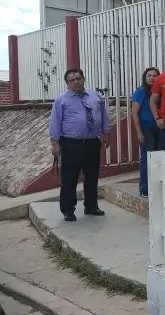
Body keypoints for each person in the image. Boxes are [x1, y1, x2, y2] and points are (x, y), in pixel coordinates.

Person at [49, 69, 110, 221]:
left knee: (92, 176)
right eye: (72, 80)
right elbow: (55, 122)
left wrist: (105, 133)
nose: (76, 81)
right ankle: (68, 209)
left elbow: (103, 115)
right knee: (70, 178)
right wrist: (55, 143)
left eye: (79, 78)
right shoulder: (61, 100)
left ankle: (91, 206)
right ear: (67, 83)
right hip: (71, 144)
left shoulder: (95, 96)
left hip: (91, 143)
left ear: (83, 79)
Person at [132, 67, 160, 197]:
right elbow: (135, 113)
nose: (152, 78)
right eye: (149, 75)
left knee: (160, 158)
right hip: (146, 129)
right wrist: (139, 131)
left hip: (161, 129)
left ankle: (158, 187)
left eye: (155, 75)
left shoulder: (161, 91)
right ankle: (145, 188)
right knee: (147, 158)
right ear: (145, 77)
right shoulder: (141, 91)